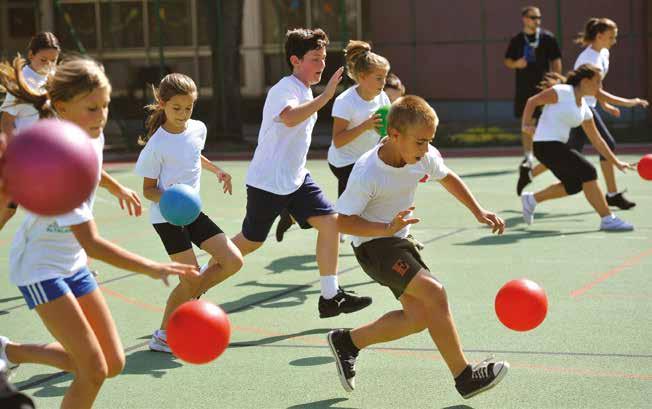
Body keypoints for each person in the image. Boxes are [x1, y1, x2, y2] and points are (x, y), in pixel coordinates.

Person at [0, 57, 197, 409]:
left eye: (105, 105)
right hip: (39, 266)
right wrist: (153, 268)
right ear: (61, 108)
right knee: (92, 370)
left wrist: (114, 186)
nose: (101, 115)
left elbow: (92, 164)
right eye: (92, 108)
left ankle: (8, 351)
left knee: (112, 362)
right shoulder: (56, 156)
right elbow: (92, 242)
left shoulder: (92, 134)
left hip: (71, 262)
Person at [327, 95, 508, 399]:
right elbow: (342, 222)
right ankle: (464, 376)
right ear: (395, 135)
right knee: (435, 292)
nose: (425, 150)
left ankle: (348, 342)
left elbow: (447, 176)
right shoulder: (367, 172)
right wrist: (385, 228)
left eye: (429, 142)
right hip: (374, 247)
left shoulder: (421, 155)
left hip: (399, 241)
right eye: (420, 143)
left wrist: (478, 211)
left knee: (418, 318)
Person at [230, 28, 372, 318]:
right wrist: (327, 96)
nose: (321, 65)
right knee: (250, 241)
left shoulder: (305, 89)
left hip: (296, 179)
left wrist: (321, 95)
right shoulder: (284, 88)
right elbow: (290, 117)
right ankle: (201, 272)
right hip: (268, 183)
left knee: (332, 224)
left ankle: (330, 297)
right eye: (314, 59)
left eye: (323, 58)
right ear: (295, 60)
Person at [135, 73, 243, 353]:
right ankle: (162, 335)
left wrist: (217, 169)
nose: (183, 114)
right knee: (191, 278)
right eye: (176, 108)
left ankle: (192, 290)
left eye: (189, 108)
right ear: (162, 103)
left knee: (233, 260)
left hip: (192, 211)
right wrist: (171, 198)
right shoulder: (155, 145)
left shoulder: (198, 128)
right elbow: (148, 189)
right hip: (168, 217)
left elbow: (194, 154)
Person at [519, 18, 649, 208]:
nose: (614, 40)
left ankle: (529, 174)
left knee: (568, 152)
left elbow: (598, 86)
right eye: (611, 36)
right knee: (598, 147)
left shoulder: (604, 53)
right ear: (599, 36)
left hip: (586, 108)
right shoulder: (588, 59)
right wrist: (628, 103)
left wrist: (605, 105)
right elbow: (594, 89)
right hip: (579, 106)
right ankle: (611, 195)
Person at [520, 64, 635, 231]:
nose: (600, 87)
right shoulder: (562, 91)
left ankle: (531, 199)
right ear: (585, 81)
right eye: (597, 82)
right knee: (588, 171)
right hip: (545, 145)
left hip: (556, 146)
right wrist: (525, 126)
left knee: (574, 185)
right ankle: (608, 219)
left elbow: (598, 140)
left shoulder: (584, 109)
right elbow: (532, 101)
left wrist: (616, 162)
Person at [328, 40, 390, 243]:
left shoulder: (383, 99)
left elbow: (385, 132)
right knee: (357, 201)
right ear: (362, 77)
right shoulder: (346, 102)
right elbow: (338, 141)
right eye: (379, 78)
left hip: (364, 158)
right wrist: (365, 125)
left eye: (385, 77)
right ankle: (357, 233)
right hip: (343, 161)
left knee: (362, 196)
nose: (383, 83)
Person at [0, 32, 60, 231]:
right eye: (43, 59)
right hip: (24, 157)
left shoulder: (55, 78)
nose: (49, 64)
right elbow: (7, 122)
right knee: (7, 209)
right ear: (31, 55)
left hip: (48, 157)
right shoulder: (23, 80)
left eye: (54, 60)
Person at [504, 5, 562, 194]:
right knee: (526, 121)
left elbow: (556, 60)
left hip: (544, 87)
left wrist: (556, 80)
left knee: (546, 120)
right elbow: (507, 61)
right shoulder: (517, 40)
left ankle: (547, 153)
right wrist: (516, 63)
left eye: (539, 17)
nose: (537, 20)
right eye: (533, 17)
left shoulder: (547, 38)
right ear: (524, 19)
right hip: (523, 89)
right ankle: (528, 156)